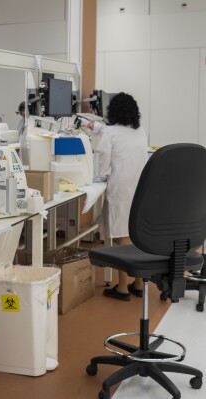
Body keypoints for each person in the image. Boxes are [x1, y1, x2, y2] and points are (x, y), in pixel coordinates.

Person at [87, 92, 148, 301]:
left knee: (122, 236)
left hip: (121, 186)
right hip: (140, 186)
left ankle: (122, 287)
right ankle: (138, 284)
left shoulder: (110, 132)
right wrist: (97, 128)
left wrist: (100, 175)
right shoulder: (139, 131)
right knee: (135, 234)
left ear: (113, 111)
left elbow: (104, 154)